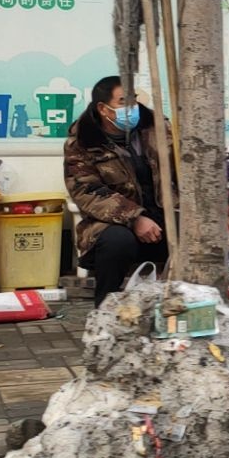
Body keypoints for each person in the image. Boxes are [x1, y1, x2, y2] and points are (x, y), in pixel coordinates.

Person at [64, 75, 174, 306]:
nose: (132, 107)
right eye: (123, 101)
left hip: (163, 215)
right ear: (103, 109)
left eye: (133, 99)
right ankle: (106, 311)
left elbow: (182, 170)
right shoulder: (83, 142)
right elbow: (87, 190)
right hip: (110, 223)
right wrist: (134, 218)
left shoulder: (157, 129)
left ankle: (184, 307)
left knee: (194, 232)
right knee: (117, 242)